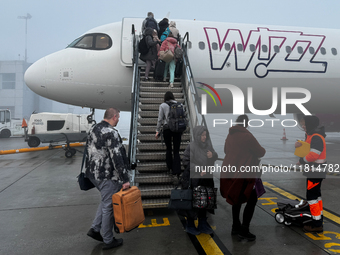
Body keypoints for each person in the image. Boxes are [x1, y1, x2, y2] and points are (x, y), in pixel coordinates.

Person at [85, 108, 130, 250]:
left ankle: (95, 229)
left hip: (93, 175)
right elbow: (116, 158)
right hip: (107, 176)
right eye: (118, 117)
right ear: (115, 117)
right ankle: (108, 240)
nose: (118, 120)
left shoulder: (93, 129)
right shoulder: (111, 133)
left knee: (106, 201)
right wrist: (125, 179)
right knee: (108, 207)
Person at [220, 114, 266, 241]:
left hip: (231, 171)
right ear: (246, 124)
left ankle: (235, 226)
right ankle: (245, 229)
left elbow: (225, 150)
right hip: (245, 173)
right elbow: (261, 151)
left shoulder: (230, 135)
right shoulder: (247, 136)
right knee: (252, 199)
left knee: (236, 197)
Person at [181, 125, 218, 235]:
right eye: (202, 135)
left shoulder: (208, 146)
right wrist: (198, 169)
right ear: (197, 135)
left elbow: (215, 156)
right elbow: (186, 162)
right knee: (193, 203)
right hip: (194, 180)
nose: (204, 137)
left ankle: (202, 223)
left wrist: (213, 155)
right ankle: (190, 225)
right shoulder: (191, 146)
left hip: (206, 180)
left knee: (205, 203)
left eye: (205, 135)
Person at [295, 116, 326, 233]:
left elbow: (313, 155)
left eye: (305, 125)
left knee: (312, 198)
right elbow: (308, 148)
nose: (303, 127)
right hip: (315, 172)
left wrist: (301, 160)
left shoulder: (316, 137)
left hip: (315, 172)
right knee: (316, 197)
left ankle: (317, 224)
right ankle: (318, 219)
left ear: (310, 125)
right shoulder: (312, 136)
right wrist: (299, 145)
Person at [155, 91, 183, 176]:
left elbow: (160, 119)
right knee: (176, 150)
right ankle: (177, 170)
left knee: (169, 149)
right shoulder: (180, 104)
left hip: (167, 129)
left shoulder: (163, 105)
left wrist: (157, 130)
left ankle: (170, 167)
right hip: (177, 129)